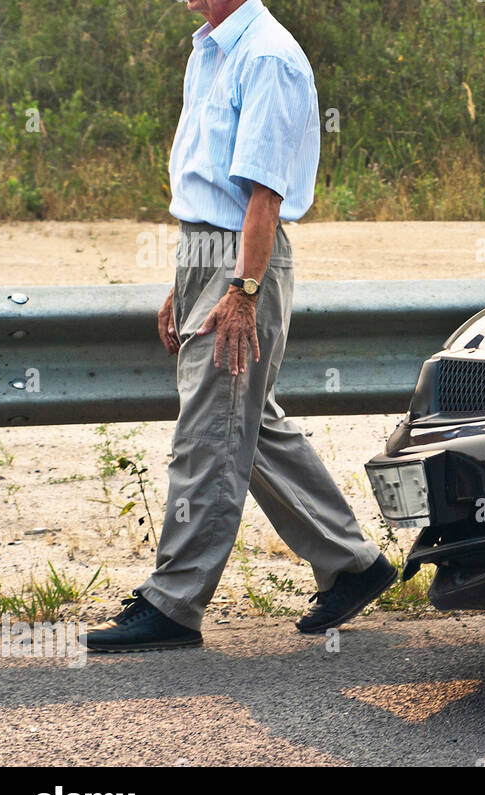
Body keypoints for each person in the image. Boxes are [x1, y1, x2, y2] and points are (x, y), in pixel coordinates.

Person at [85, 0, 395, 652]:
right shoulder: (211, 49)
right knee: (243, 426)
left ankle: (173, 603)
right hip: (205, 253)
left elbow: (265, 196)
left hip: (241, 258)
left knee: (208, 433)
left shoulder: (268, 55)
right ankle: (353, 564)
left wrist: (242, 289)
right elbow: (208, 185)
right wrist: (186, 281)